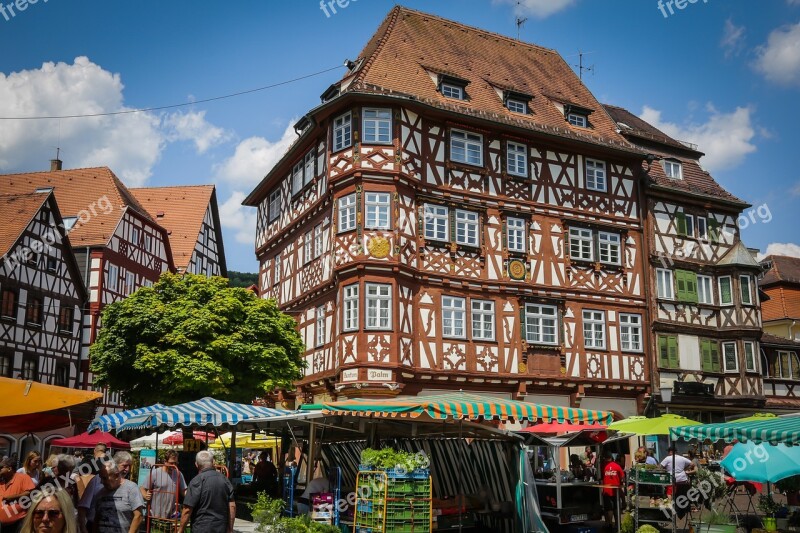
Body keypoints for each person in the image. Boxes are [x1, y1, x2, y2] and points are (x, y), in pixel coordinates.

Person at [178, 450, 235, 533]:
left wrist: (180, 530)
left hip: (201, 527)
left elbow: (187, 509)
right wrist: (230, 529)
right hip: (221, 528)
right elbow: (232, 506)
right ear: (213, 462)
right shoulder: (225, 480)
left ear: (196, 464)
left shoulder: (196, 481)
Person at [78, 451, 132, 533]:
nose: (127, 469)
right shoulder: (97, 480)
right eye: (124, 466)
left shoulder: (129, 485)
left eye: (129, 466)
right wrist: (83, 528)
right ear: (115, 464)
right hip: (94, 527)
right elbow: (83, 506)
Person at [91, 460, 144, 533]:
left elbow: (138, 516)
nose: (101, 482)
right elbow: (97, 518)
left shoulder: (131, 488)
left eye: (105, 478)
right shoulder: (100, 493)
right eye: (101, 478)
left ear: (116, 475)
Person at [141, 451, 186, 519]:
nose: (174, 465)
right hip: (153, 515)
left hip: (171, 516)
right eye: (171, 463)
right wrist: (145, 495)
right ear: (165, 461)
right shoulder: (154, 473)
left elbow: (183, 491)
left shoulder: (178, 474)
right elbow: (142, 488)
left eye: (176, 463)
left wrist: (192, 496)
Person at [0, 457, 36, 531]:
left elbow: (31, 493)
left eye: (1, 468)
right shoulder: (1, 481)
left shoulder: (23, 478)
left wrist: (13, 497)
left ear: (9, 469)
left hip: (18, 523)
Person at [660, 446, 696, 519]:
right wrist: (685, 469)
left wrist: (665, 469)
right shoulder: (682, 458)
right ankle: (681, 510)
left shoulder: (667, 458)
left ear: (670, 451)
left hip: (672, 480)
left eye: (668, 452)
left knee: (669, 494)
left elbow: (660, 467)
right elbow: (692, 464)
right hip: (683, 480)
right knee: (681, 496)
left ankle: (671, 510)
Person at [601, 451, 625, 531]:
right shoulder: (617, 466)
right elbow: (622, 477)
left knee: (608, 508)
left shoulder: (604, 466)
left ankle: (610, 523)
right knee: (616, 507)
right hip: (616, 491)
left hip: (606, 490)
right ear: (611, 458)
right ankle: (617, 524)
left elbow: (600, 477)